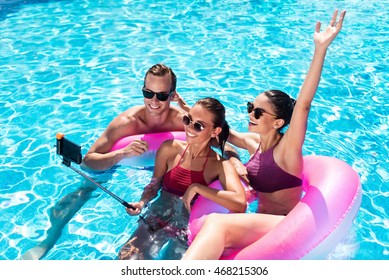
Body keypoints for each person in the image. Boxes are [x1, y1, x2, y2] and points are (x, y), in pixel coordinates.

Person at [182, 9, 346, 260]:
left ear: (278, 121)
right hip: (258, 218)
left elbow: (303, 104)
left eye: (258, 112)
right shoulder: (253, 143)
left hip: (286, 225)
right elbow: (219, 133)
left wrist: (320, 49)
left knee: (215, 223)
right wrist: (189, 114)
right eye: (250, 108)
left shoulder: (288, 149)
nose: (250, 115)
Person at [21, 63, 189, 260]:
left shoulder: (182, 121)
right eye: (148, 93)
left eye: (161, 95)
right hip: (123, 162)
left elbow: (217, 138)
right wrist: (121, 154)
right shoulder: (127, 123)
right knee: (84, 190)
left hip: (162, 168)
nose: (153, 101)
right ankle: (48, 240)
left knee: (177, 203)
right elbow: (88, 161)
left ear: (172, 95)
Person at [118, 97, 247, 260]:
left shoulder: (220, 165)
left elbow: (240, 203)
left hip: (186, 229)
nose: (189, 128)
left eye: (198, 126)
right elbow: (154, 184)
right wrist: (142, 202)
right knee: (126, 258)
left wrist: (197, 188)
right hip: (158, 216)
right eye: (188, 120)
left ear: (215, 131)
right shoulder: (170, 149)